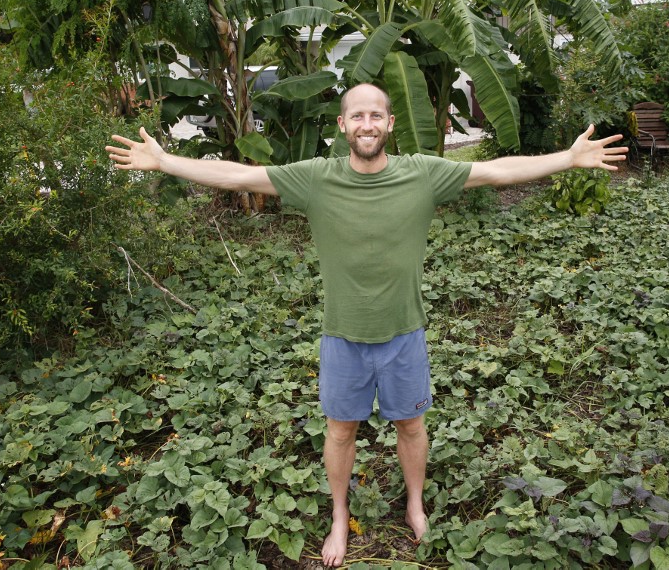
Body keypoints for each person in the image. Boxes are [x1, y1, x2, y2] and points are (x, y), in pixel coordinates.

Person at [106, 83, 628, 567]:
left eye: (376, 114)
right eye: (358, 115)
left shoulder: (423, 172)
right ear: (342, 125)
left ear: (390, 123)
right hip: (342, 337)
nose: (367, 123)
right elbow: (239, 175)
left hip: (405, 333)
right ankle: (339, 517)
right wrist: (164, 161)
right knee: (340, 431)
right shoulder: (316, 178)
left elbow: (498, 170)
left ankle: (415, 505)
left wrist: (568, 158)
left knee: (411, 425)